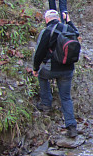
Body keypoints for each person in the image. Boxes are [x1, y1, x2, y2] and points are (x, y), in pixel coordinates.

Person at [33, 10, 79, 138]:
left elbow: (39, 52)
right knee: (66, 97)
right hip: (68, 69)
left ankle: (46, 104)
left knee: (42, 77)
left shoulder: (47, 31)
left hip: (51, 68)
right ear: (58, 18)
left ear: (47, 19)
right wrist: (69, 20)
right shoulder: (68, 28)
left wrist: (35, 68)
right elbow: (77, 33)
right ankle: (71, 127)